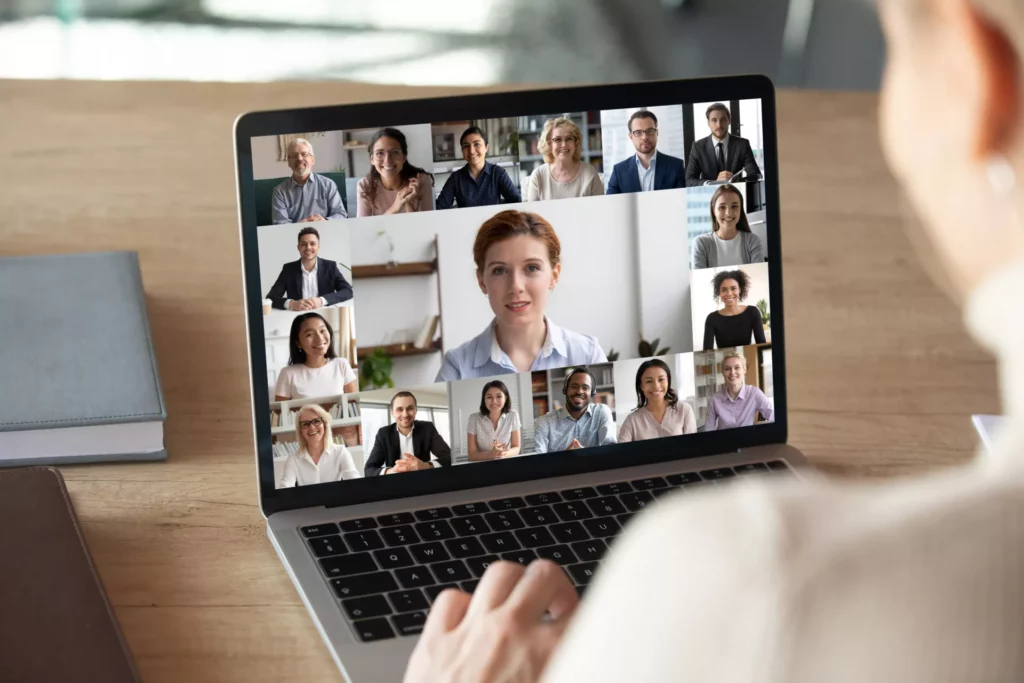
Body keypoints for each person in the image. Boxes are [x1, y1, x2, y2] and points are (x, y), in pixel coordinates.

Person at [405, 1, 1024, 681]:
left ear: (974, 75)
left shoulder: (751, 581)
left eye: (898, 52)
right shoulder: (456, 366)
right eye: (499, 270)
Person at [436, 210, 607, 381]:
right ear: (482, 281)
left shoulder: (588, 354)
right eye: (500, 270)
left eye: (532, 268)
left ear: (554, 276)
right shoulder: (457, 367)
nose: (516, 286)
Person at [265, 226, 353, 311]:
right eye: (304, 244)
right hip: (296, 317)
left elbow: (348, 291)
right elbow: (271, 297)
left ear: (318, 246)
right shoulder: (288, 269)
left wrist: (321, 300)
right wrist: (292, 304)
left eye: (312, 243)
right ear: (298, 247)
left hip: (325, 314)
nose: (308, 247)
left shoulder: (330, 267)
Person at [364, 392, 452, 476]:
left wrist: (425, 466)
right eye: (399, 409)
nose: (405, 414)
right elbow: (369, 470)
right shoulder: (383, 434)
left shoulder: (427, 428)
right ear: (392, 413)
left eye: (410, 408)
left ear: (416, 410)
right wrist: (392, 471)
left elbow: (449, 457)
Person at [273, 312, 358, 400]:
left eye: (322, 331)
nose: (319, 338)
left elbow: (353, 404)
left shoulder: (341, 365)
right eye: (309, 334)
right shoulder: (288, 374)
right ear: (298, 343)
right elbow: (279, 412)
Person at [435, 127, 521, 209]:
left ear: (486, 147)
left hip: (494, 223)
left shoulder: (498, 173)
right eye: (466, 146)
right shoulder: (455, 178)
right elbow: (440, 208)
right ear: (462, 150)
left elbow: (516, 202)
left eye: (477, 144)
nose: (471, 151)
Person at [533, 367, 616, 453]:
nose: (579, 391)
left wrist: (586, 456)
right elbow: (538, 460)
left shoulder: (601, 412)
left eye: (585, 387)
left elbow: (611, 451)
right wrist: (564, 459)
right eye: (574, 387)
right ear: (565, 390)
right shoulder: (544, 422)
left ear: (592, 393)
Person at [356, 128, 434, 216]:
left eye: (395, 152)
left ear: (404, 157)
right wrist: (395, 207)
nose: (387, 160)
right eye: (380, 153)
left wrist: (407, 202)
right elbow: (363, 228)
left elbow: (425, 226)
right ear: (372, 159)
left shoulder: (422, 180)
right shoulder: (365, 185)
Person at [277, 404, 360, 487]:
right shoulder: (293, 460)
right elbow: (285, 486)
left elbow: (355, 483)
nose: (312, 427)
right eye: (305, 424)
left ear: (324, 425)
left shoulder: (340, 452)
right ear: (301, 431)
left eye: (316, 421)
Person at [523, 117, 605, 202]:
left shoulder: (590, 173)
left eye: (569, 138)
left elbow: (599, 210)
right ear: (549, 144)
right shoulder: (538, 176)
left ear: (575, 143)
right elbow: (533, 214)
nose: (564, 145)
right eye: (557, 139)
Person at [605, 110, 686, 195]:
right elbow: (611, 205)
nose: (644, 137)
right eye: (638, 132)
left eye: (650, 131)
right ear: (631, 136)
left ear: (657, 133)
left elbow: (681, 203)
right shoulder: (619, 171)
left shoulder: (676, 166)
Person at [270, 138, 347, 224]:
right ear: (289, 162)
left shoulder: (328, 185)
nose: (299, 158)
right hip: (294, 235)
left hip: (324, 232)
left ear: (312, 160)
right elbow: (279, 224)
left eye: (304, 154)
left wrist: (325, 221)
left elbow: (341, 214)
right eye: (294, 156)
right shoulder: (279, 192)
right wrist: (299, 225)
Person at [617, 359, 696, 442]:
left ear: (668, 381)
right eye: (649, 381)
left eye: (661, 379)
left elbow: (693, 446)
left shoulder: (684, 410)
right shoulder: (632, 420)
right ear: (641, 386)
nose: (656, 386)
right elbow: (621, 453)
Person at [685, 103, 762, 187]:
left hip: (735, 193)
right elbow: (689, 180)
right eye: (714, 120)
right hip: (710, 196)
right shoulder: (698, 147)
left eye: (723, 119)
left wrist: (737, 182)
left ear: (729, 121)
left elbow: (756, 175)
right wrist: (711, 183)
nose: (719, 125)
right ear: (708, 123)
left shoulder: (742, 145)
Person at [691, 184, 765, 269]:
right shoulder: (701, 243)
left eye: (734, 206)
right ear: (713, 211)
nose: (728, 213)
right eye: (722, 207)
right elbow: (700, 280)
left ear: (740, 209)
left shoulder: (753, 241)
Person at [704, 351, 774, 430]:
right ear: (723, 373)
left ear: (744, 370)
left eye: (737, 367)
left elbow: (774, 416)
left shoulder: (754, 393)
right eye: (727, 369)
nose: (732, 372)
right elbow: (708, 429)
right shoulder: (715, 399)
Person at [702, 269, 766, 350]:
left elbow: (762, 346)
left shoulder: (752, 312)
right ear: (719, 292)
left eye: (733, 288)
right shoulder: (712, 318)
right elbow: (707, 351)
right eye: (724, 289)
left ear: (740, 289)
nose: (729, 293)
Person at [466, 380, 522, 461]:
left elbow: (516, 447)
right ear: (484, 400)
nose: (494, 401)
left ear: (505, 398)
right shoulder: (474, 419)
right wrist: (491, 455)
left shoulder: (513, 415)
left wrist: (502, 454)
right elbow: (472, 454)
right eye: (489, 397)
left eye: (499, 396)